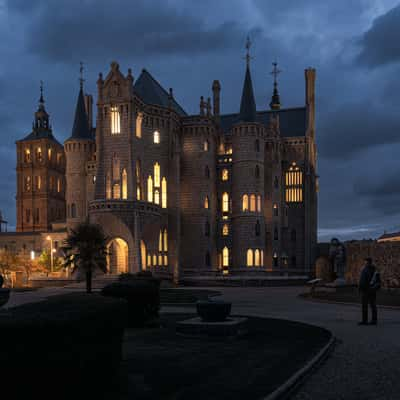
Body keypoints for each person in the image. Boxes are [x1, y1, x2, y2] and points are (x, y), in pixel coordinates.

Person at [358, 257, 381, 325]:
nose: (365, 263)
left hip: (370, 290)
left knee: (372, 305)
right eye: (365, 262)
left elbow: (378, 282)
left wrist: (373, 289)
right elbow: (362, 279)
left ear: (369, 262)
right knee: (364, 306)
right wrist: (360, 288)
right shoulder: (364, 269)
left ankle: (374, 320)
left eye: (366, 262)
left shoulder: (374, 270)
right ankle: (364, 320)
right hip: (364, 290)